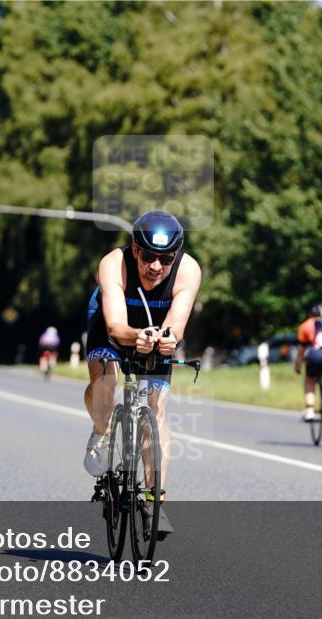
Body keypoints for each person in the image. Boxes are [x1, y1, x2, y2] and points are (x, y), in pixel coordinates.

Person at [83, 210, 202, 540]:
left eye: (165, 259)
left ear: (176, 256)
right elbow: (114, 326)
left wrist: (168, 340)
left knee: (157, 410)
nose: (155, 266)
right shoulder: (113, 264)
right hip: (113, 326)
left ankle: (154, 500)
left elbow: (176, 324)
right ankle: (101, 432)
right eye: (148, 256)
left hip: (155, 331)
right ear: (135, 249)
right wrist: (133, 336)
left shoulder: (188, 270)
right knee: (106, 378)